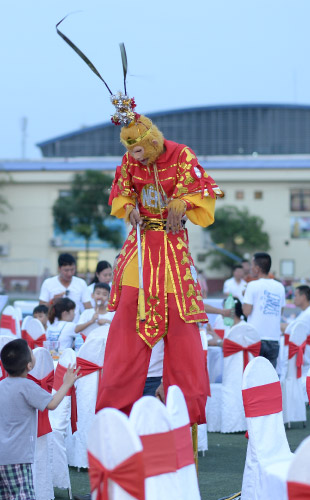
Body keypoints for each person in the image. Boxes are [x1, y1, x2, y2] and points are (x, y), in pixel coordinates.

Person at [95, 110, 223, 423]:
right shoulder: (129, 162)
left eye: (138, 150)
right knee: (126, 325)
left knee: (183, 331)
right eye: (129, 151)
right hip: (139, 244)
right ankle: (115, 415)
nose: (134, 157)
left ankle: (184, 412)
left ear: (152, 141)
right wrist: (128, 208)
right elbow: (121, 190)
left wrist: (182, 203)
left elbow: (201, 188)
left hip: (171, 245)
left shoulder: (181, 154)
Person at [0, 338, 79, 500]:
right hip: (18, 456)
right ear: (29, 366)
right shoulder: (27, 386)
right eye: (31, 352)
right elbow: (51, 404)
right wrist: (66, 384)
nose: (33, 352)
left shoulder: (0, 385)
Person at [242, 252, 285, 367]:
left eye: (252, 265)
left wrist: (244, 296)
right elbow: (280, 311)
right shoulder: (280, 286)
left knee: (254, 376)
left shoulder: (252, 285)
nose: (250, 268)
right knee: (269, 377)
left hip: (256, 338)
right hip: (274, 338)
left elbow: (246, 311)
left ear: (257, 268)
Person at [38, 253, 87, 322]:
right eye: (66, 270)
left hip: (74, 327)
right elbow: (41, 307)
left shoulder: (81, 283)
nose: (70, 273)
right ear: (59, 268)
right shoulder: (48, 283)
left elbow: (88, 307)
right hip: (53, 327)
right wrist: (53, 301)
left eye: (72, 270)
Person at [283, 285, 310, 359]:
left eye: (295, 296)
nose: (294, 298)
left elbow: (290, 329)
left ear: (303, 297)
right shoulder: (308, 311)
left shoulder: (309, 313)